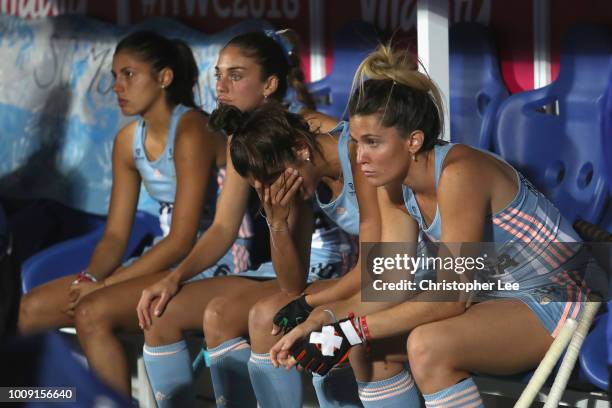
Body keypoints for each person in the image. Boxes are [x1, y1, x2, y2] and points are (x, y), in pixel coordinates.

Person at [270, 44, 607, 407]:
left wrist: (349, 329)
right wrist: (324, 318)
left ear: (413, 141)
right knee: (370, 350)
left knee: (426, 346)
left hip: (560, 296)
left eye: (372, 143)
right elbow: (389, 283)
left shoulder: (460, 173)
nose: (359, 158)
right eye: (354, 143)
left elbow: (450, 297)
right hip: (499, 298)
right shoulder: (390, 182)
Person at [17, 30, 249, 395]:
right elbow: (114, 236)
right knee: (31, 309)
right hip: (166, 257)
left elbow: (184, 238)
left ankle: (111, 403)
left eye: (128, 74)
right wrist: (93, 277)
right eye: (114, 77)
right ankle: (47, 400)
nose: (117, 87)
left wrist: (109, 286)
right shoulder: (128, 141)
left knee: (92, 311)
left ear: (164, 78)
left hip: (207, 260)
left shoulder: (191, 129)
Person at [133, 30, 353, 407]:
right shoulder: (245, 139)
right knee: (166, 312)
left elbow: (385, 253)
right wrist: (173, 277)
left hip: (345, 268)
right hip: (298, 266)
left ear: (270, 84)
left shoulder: (312, 141)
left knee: (267, 316)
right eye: (218, 74)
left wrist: (320, 302)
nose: (221, 86)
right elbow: (225, 227)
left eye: (235, 75)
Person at [210, 100, 382, 407]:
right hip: (390, 275)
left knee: (323, 332)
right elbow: (291, 285)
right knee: (268, 316)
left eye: (273, 178)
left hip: (414, 274)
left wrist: (308, 305)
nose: (274, 191)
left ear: (301, 147)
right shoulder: (303, 174)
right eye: (260, 188)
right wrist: (275, 222)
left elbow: (375, 273)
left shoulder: (359, 157)